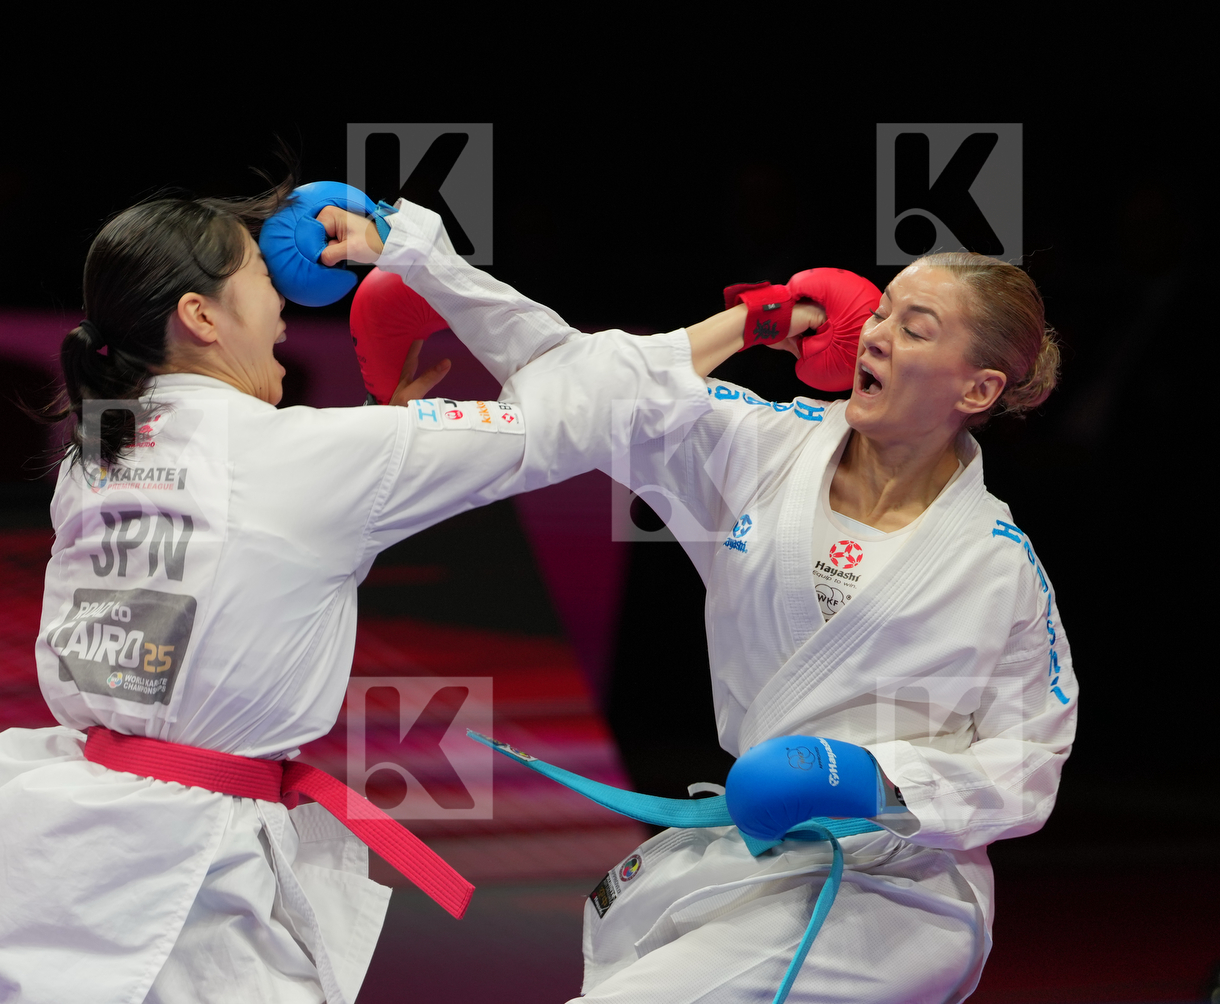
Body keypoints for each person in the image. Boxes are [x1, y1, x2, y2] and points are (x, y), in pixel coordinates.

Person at [0, 186, 713, 1004]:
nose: (286, 309)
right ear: (202, 316)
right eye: (261, 278)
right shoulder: (298, 456)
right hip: (189, 892)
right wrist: (753, 326)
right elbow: (574, 407)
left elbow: (250, 562)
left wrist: (376, 441)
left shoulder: (95, 457)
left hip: (71, 852)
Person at [370, 250, 1075, 1002]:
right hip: (754, 857)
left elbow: (1027, 765)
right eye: (881, 312)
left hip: (894, 892)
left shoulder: (998, 567)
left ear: (979, 386)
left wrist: (871, 779)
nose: (877, 334)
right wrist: (422, 262)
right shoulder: (764, 445)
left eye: (915, 328)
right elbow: (596, 386)